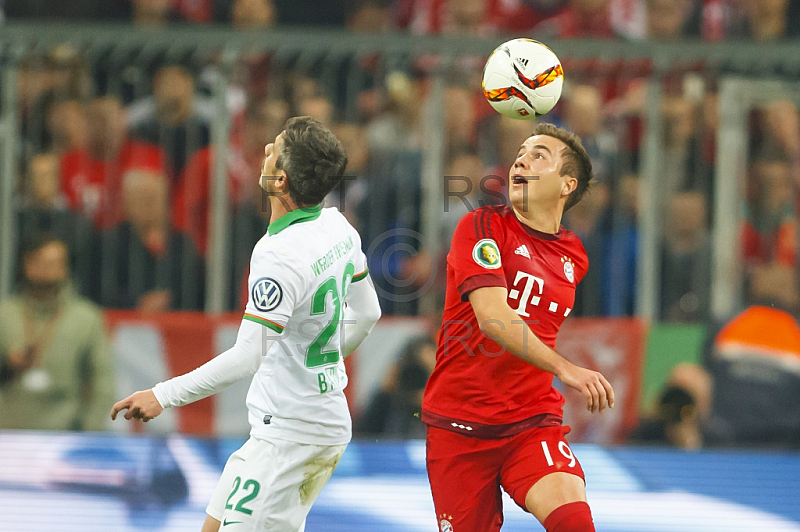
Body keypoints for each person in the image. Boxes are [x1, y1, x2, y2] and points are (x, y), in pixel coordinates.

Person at [110, 117, 382, 532]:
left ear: (281, 181)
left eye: (273, 150)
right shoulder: (337, 225)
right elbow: (368, 314)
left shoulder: (279, 255)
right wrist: (322, 362)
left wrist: (162, 395)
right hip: (301, 425)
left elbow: (245, 357)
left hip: (292, 434)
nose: (265, 153)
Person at [422, 123, 615, 532]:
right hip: (460, 429)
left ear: (567, 185)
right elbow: (494, 318)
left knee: (575, 523)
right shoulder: (480, 226)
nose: (521, 160)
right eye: (521, 153)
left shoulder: (574, 255)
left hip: (531, 421)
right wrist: (565, 368)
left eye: (539, 154)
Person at [0, 234, 112, 431]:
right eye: (40, 262)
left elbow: (102, 384)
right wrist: (8, 367)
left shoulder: (86, 318)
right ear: (25, 264)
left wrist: (88, 434)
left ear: (66, 267)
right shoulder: (5, 315)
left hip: (64, 436)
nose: (47, 270)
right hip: (8, 433)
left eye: (55, 263)